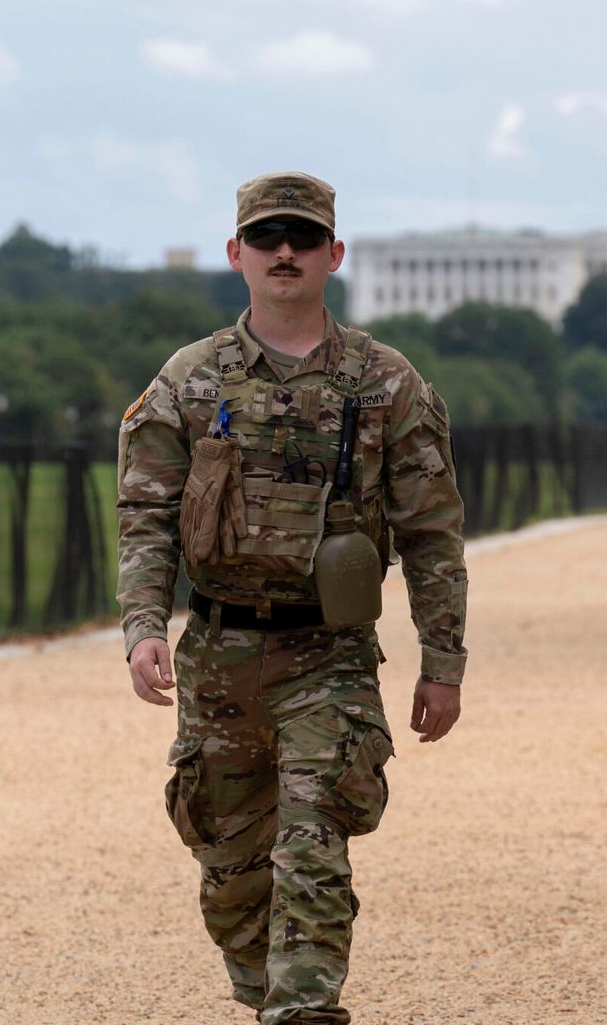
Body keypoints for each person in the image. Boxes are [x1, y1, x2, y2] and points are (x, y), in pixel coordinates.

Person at [118, 172, 468, 1024]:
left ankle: (303, 1011)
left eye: (304, 238)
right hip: (220, 655)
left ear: (333, 255)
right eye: (267, 237)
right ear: (235, 253)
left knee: (313, 843)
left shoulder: (385, 383)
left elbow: (430, 532)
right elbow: (146, 514)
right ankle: (267, 993)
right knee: (230, 869)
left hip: (329, 655)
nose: (285, 252)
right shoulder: (189, 381)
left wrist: (443, 660)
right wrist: (143, 624)